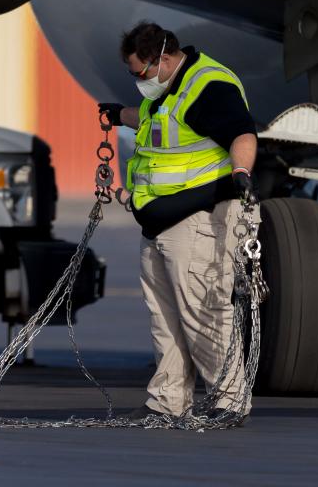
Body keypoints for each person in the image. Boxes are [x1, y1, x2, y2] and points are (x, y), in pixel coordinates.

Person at [99, 21, 258, 421]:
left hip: (198, 218)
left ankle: (230, 401)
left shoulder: (208, 87)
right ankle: (168, 402)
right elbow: (159, 123)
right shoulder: (169, 89)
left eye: (140, 73)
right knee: (165, 318)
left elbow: (242, 132)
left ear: (163, 59)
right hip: (159, 222)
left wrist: (242, 173)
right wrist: (120, 115)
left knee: (203, 311)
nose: (137, 80)